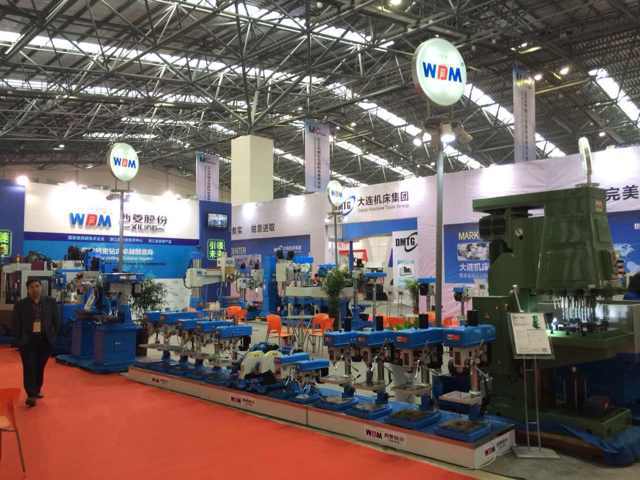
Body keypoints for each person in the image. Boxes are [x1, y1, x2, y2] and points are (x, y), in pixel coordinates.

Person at [12, 278, 60, 407]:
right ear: (28, 290)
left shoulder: (50, 302)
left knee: (39, 367)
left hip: (45, 340)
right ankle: (31, 394)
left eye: (37, 286)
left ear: (41, 287)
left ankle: (37, 389)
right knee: (29, 366)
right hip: (27, 341)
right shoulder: (21, 304)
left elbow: (56, 321)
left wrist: (53, 336)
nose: (35, 289)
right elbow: (16, 323)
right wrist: (20, 340)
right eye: (32, 287)